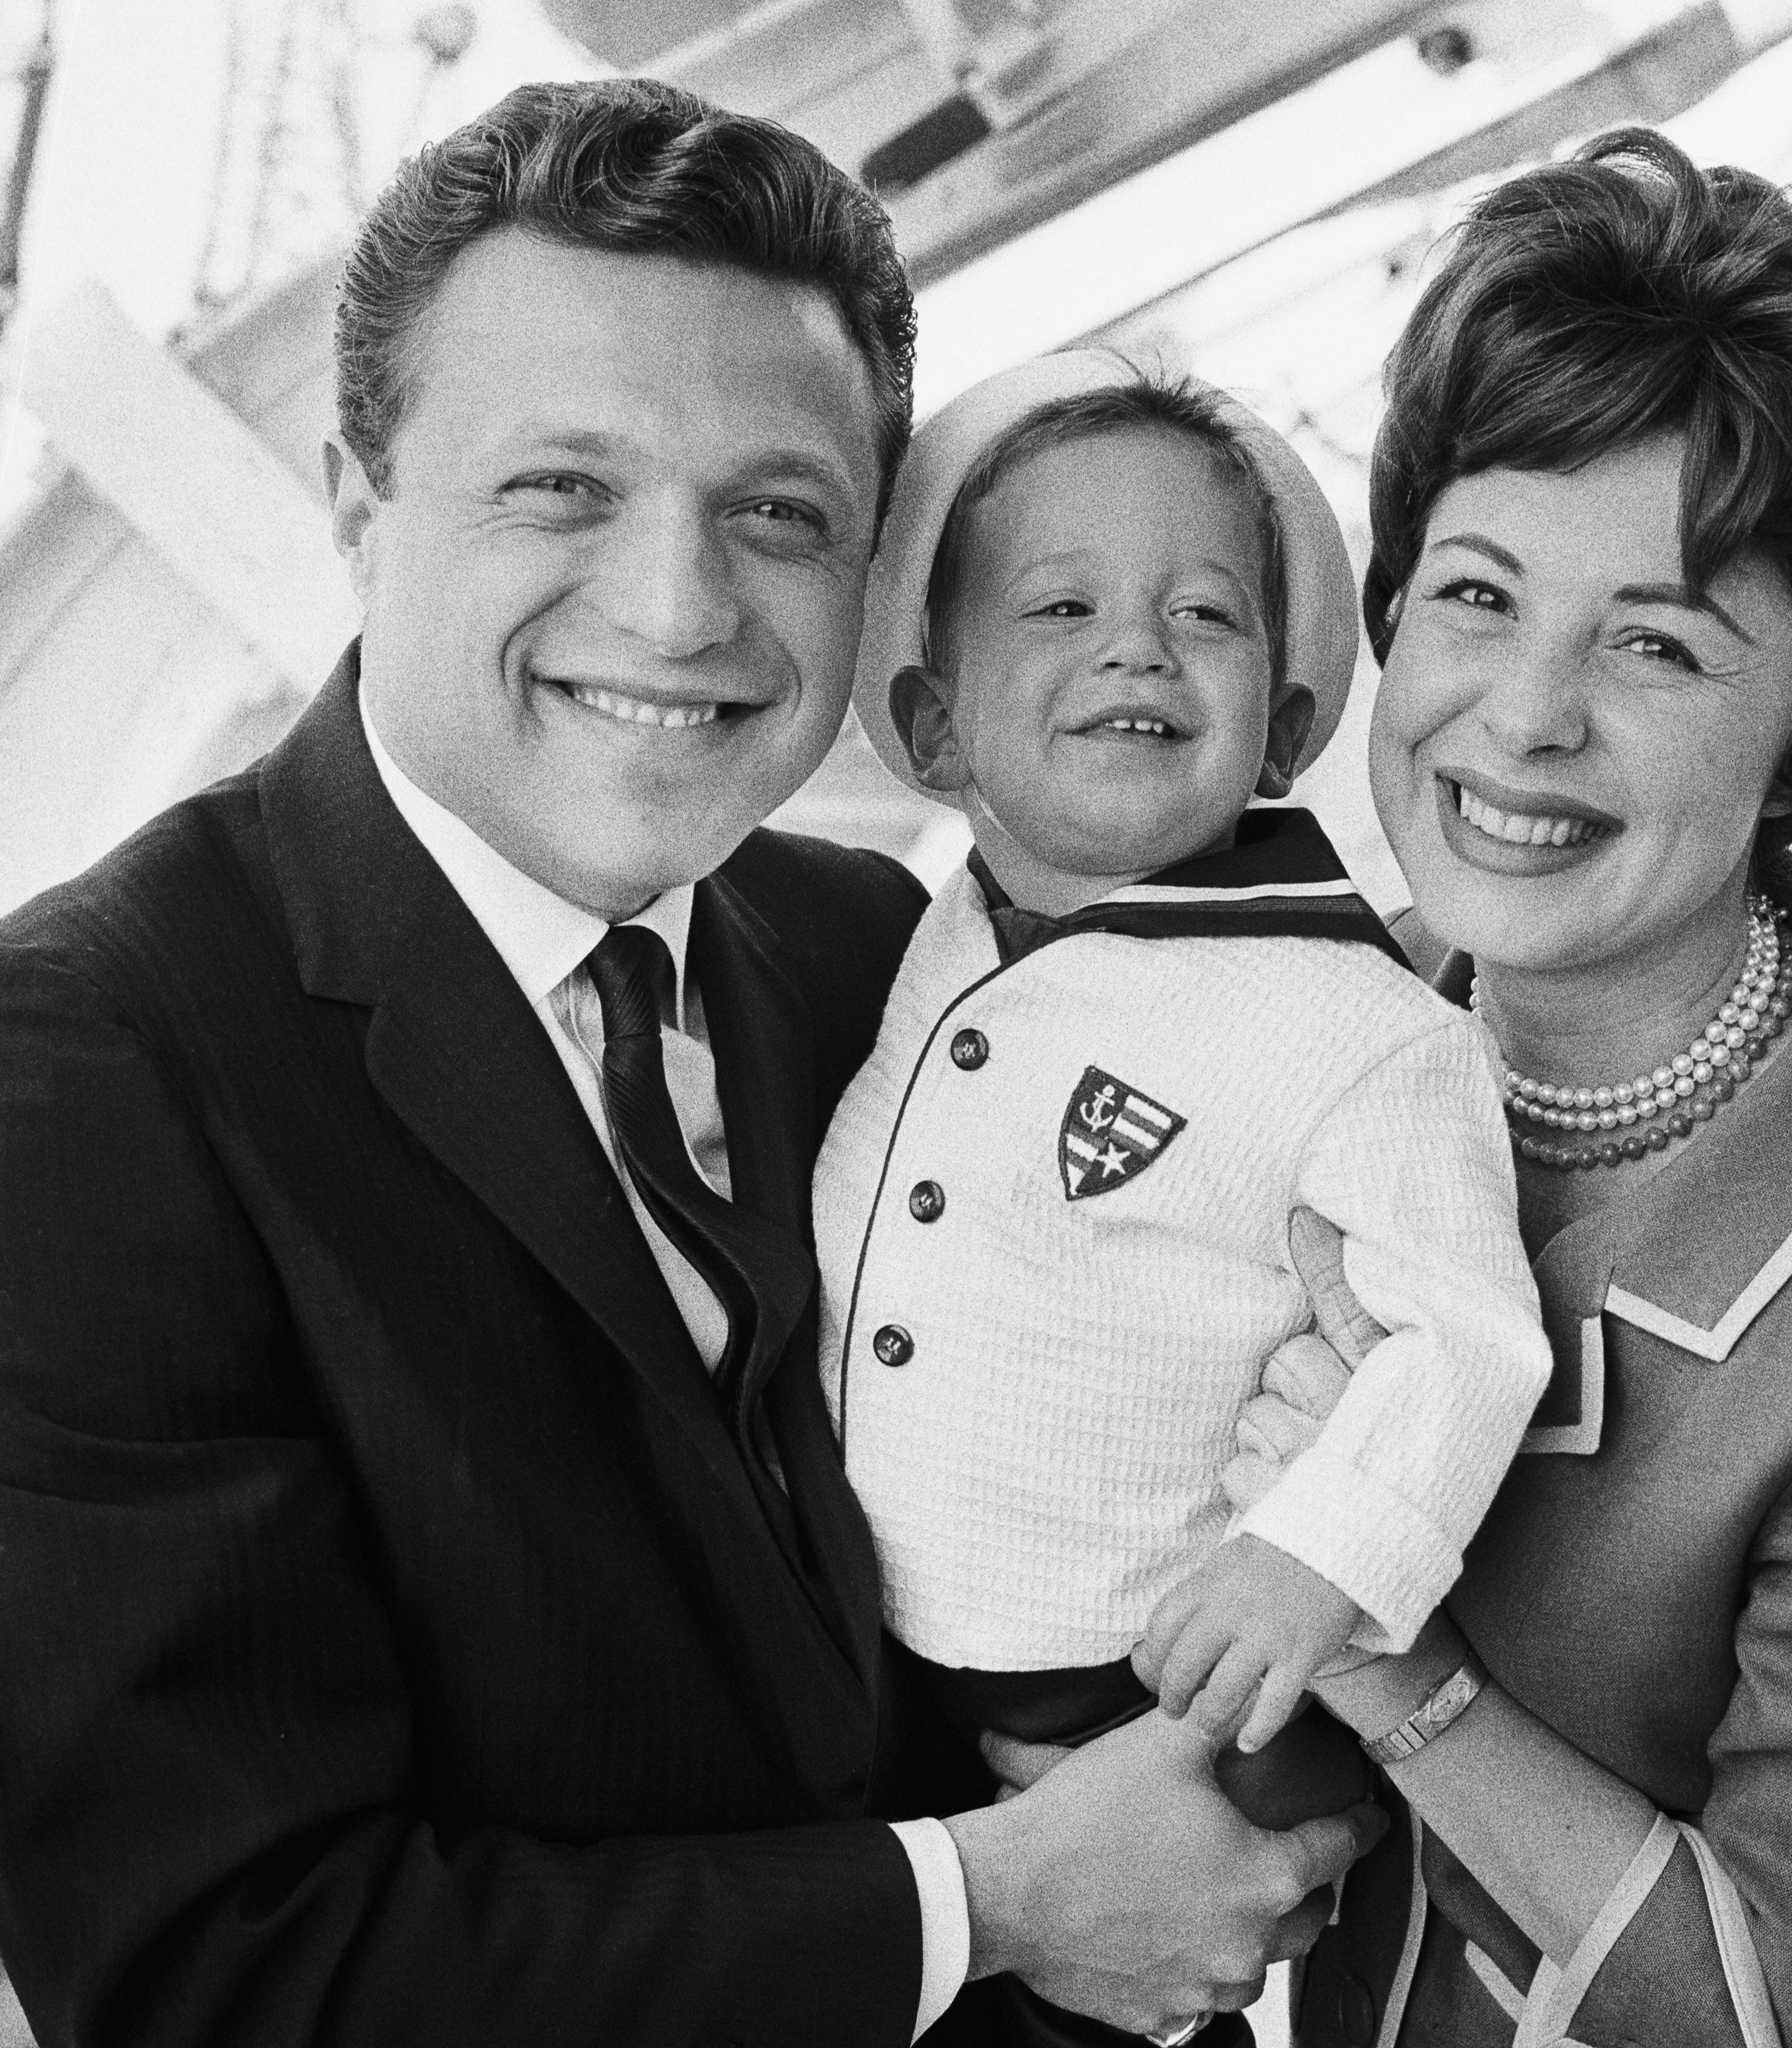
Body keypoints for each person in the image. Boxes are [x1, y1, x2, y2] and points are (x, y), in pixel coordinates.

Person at [0, 79, 1376, 2048]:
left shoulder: (871, 959)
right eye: (563, 485)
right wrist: (982, 1906)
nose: (679, 604)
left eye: (778, 512)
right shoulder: (82, 1074)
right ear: (357, 500)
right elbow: (222, 1971)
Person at [1250, 130, 1792, 2046]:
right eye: (1476, 594)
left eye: (1653, 639)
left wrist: (1398, 1656)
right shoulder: (1289, 1033)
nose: (1527, 713)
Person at [819, 351, 1553, 2042]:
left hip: (1145, 1700)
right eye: (1059, 606)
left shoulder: (1351, 1024)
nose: (1134, 645)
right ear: (938, 727)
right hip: (887, 1694)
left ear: (1288, 726)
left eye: (1206, 616)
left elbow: (1463, 1336)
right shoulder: (944, 936)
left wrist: (1317, 1564)